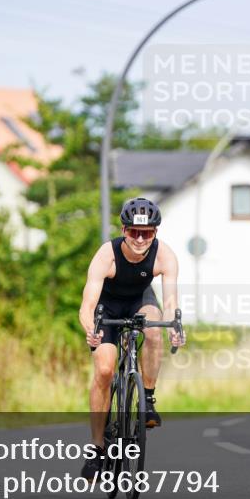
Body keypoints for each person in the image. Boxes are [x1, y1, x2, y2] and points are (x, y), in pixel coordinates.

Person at [78, 197, 185, 479]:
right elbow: (87, 305)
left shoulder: (165, 256)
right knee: (104, 370)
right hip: (108, 307)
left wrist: (174, 326)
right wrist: (91, 329)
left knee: (154, 330)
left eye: (146, 233)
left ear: (155, 233)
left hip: (140, 300)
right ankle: (97, 448)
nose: (139, 239)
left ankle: (147, 399)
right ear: (124, 230)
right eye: (134, 232)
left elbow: (170, 301)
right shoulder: (107, 255)